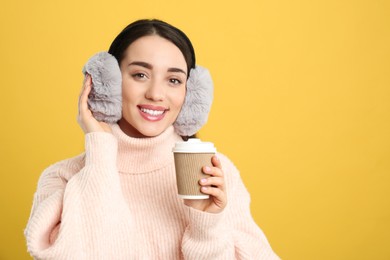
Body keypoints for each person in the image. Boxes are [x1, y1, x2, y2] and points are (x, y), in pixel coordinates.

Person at [24, 19, 279, 259]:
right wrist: (100, 150)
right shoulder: (62, 178)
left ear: (190, 95)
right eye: (140, 75)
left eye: (174, 80)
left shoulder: (214, 174)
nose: (156, 94)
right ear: (108, 83)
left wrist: (206, 226)